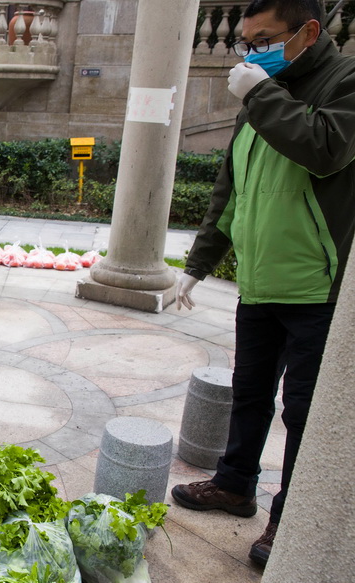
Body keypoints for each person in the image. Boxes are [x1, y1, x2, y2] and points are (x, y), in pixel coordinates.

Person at [171, 0, 355, 568]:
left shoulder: (343, 81)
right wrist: (198, 264)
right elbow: (232, 190)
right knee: (248, 391)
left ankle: (287, 519)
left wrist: (257, 92)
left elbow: (325, 149)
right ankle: (234, 484)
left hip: (314, 287)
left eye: (265, 39)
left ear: (309, 31)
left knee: (303, 412)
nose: (253, 52)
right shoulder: (260, 91)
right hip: (260, 281)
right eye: (247, 42)